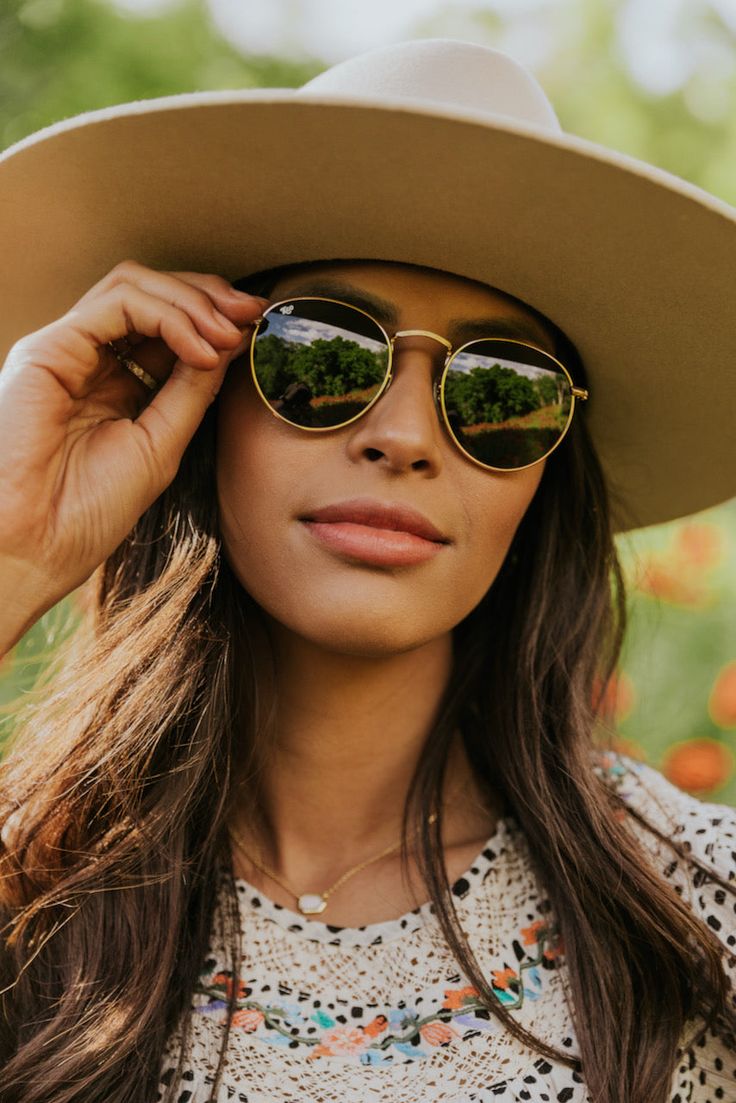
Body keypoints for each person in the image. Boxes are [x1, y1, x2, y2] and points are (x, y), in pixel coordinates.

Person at [0, 37, 734, 1103]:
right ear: (198, 405)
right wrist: (13, 556)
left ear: (541, 481)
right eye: (317, 354)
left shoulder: (696, 908)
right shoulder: (29, 893)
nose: (402, 435)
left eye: (497, 390)